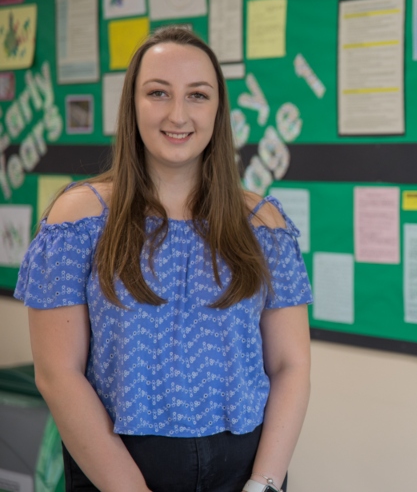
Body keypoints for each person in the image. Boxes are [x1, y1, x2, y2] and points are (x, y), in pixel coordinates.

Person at [14, 26, 312, 492]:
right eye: (158, 93)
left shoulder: (264, 224)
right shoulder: (78, 219)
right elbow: (57, 374)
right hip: (118, 470)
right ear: (132, 105)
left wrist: (266, 482)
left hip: (246, 472)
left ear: (218, 110)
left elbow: (291, 364)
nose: (178, 114)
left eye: (198, 95)